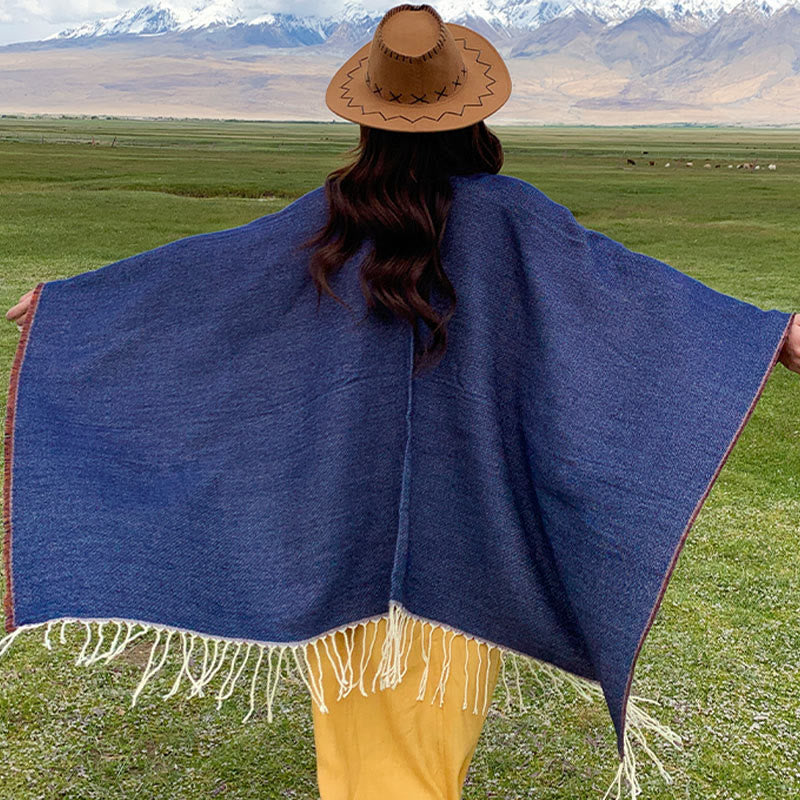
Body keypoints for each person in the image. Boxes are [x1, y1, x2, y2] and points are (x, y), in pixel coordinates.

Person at [4, 5, 799, 800]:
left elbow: (199, 284)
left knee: (360, 767)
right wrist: (766, 334)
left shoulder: (331, 222)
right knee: (409, 770)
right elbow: (633, 300)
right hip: (466, 553)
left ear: (368, 120)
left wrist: (75, 312)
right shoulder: (510, 221)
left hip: (332, 545)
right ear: (474, 113)